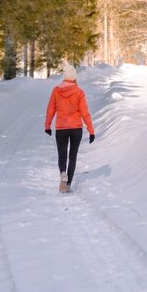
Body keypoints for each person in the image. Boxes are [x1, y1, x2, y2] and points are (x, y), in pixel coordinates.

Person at [44, 63, 95, 194]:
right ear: (74, 77)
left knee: (62, 156)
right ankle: (68, 184)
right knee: (72, 157)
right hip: (76, 128)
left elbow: (51, 109)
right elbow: (85, 113)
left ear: (64, 77)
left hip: (61, 127)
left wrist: (47, 125)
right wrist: (91, 131)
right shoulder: (79, 92)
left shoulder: (56, 90)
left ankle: (63, 174)